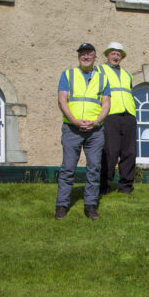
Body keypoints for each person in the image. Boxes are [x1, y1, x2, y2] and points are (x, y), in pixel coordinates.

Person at [55, 42, 111, 220]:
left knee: (94, 168)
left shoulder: (103, 78)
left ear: (95, 57)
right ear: (79, 57)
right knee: (68, 169)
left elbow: (106, 104)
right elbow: (62, 100)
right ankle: (62, 206)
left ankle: (90, 206)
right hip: (72, 129)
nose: (85, 57)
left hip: (95, 131)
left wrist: (96, 122)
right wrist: (74, 121)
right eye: (82, 54)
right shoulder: (68, 74)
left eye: (89, 54)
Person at [98, 42, 136, 196]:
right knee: (110, 152)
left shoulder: (127, 74)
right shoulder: (99, 70)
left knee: (129, 153)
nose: (116, 56)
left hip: (129, 115)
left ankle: (126, 187)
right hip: (110, 115)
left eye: (119, 54)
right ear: (107, 55)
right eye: (113, 53)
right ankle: (104, 186)